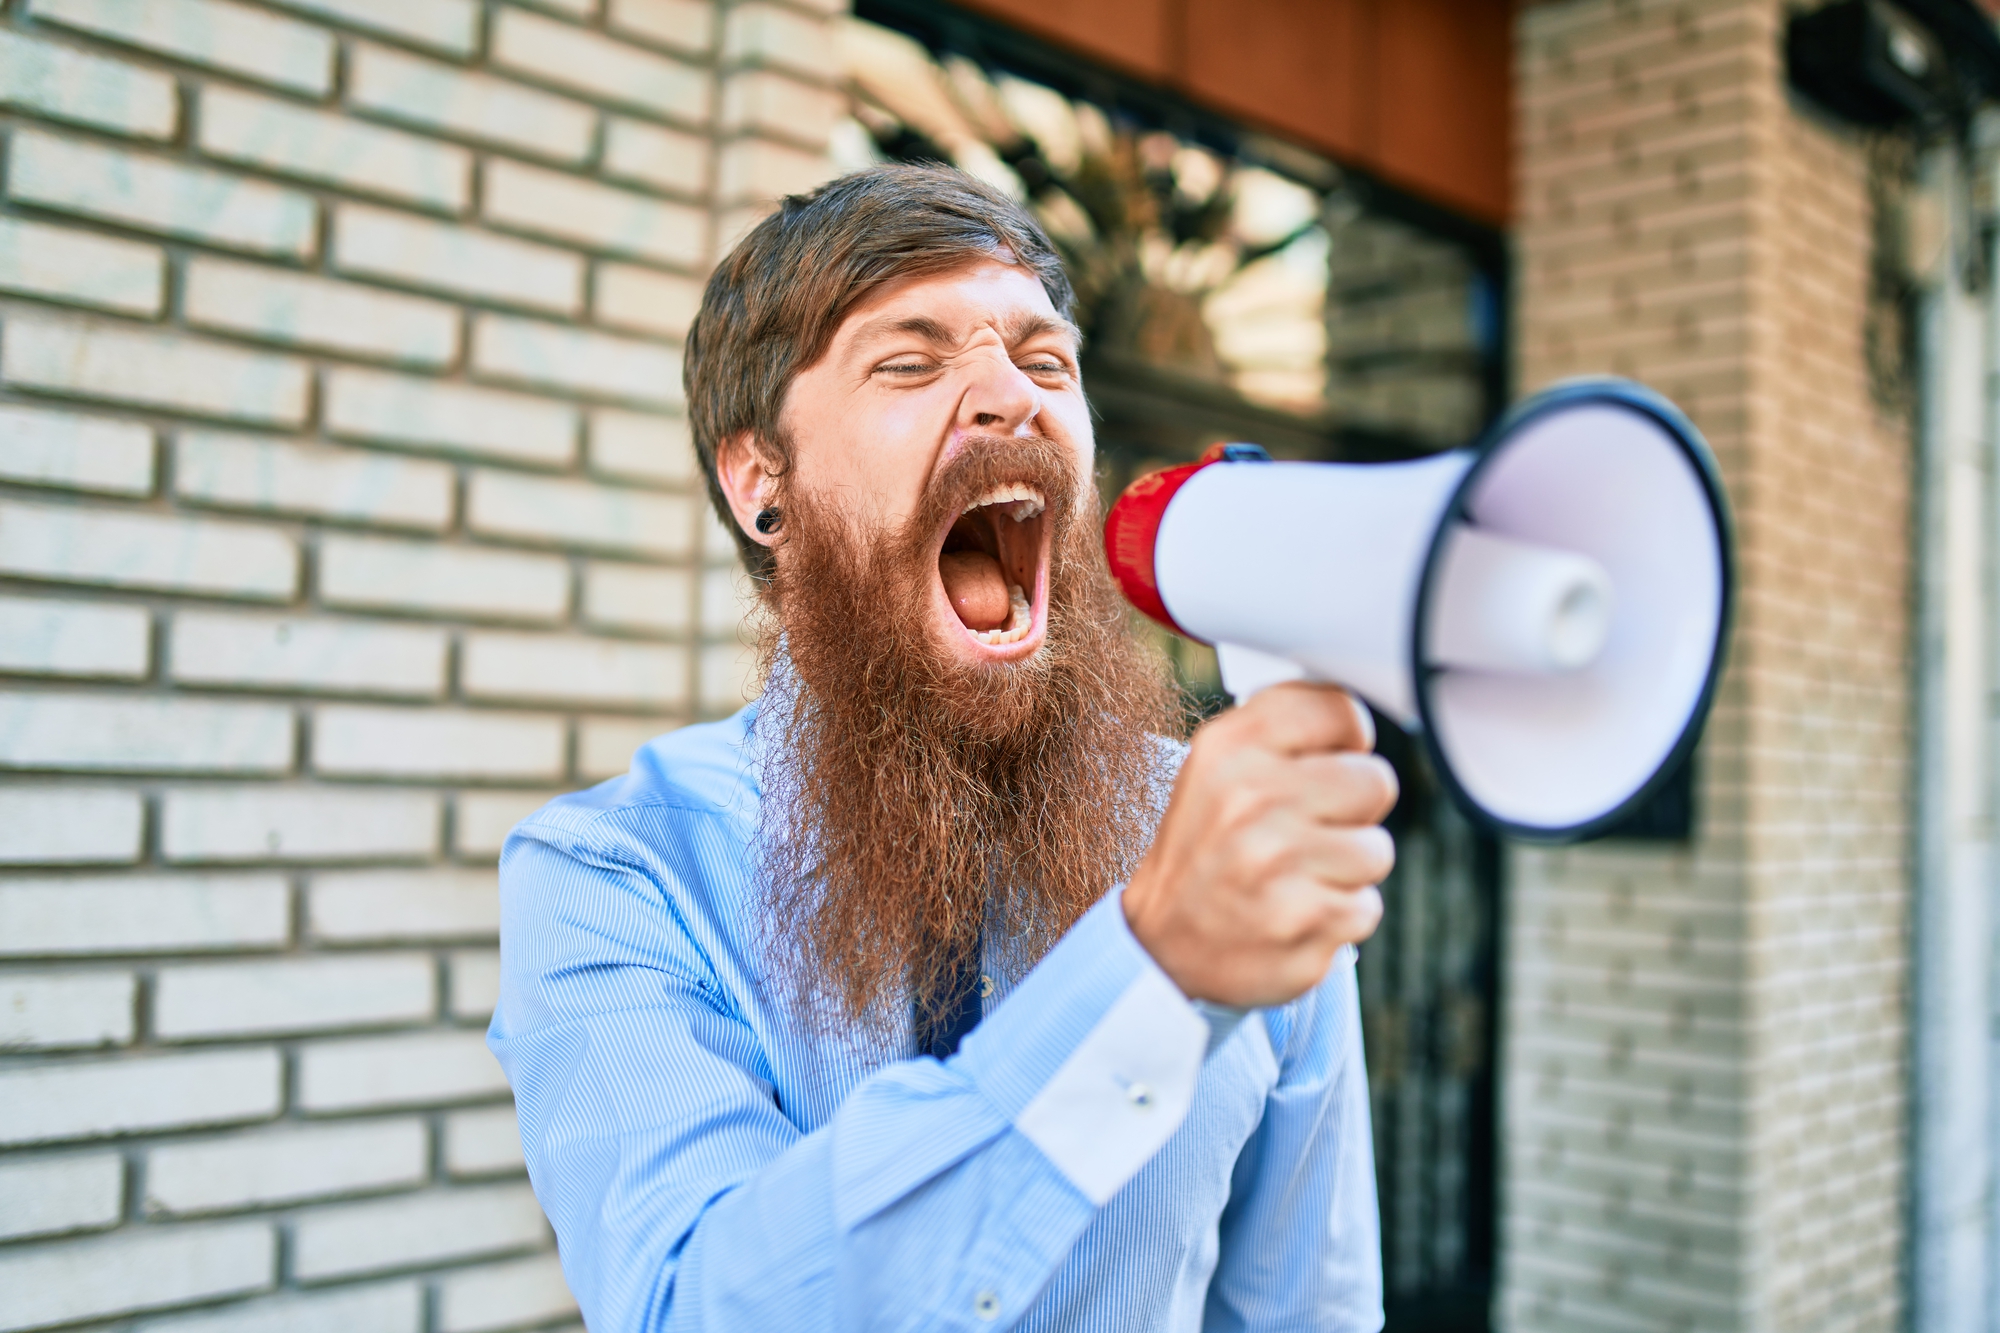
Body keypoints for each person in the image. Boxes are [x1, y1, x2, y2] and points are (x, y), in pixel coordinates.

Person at [490, 164, 1398, 1333]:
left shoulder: (1219, 837)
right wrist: (1148, 972)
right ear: (762, 479)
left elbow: (1304, 1315)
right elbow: (693, 1305)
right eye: (908, 362)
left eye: (1046, 361)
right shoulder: (611, 873)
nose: (1009, 397)